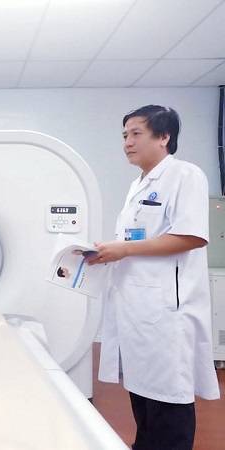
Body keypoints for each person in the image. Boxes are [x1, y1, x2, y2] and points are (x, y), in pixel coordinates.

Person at [87, 105, 220, 449]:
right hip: (137, 311)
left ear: (164, 137)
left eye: (136, 134)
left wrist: (123, 250)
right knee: (144, 402)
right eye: (124, 136)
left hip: (167, 313)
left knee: (168, 404)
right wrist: (108, 252)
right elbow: (136, 240)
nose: (127, 143)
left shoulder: (185, 175)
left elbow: (191, 237)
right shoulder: (138, 186)